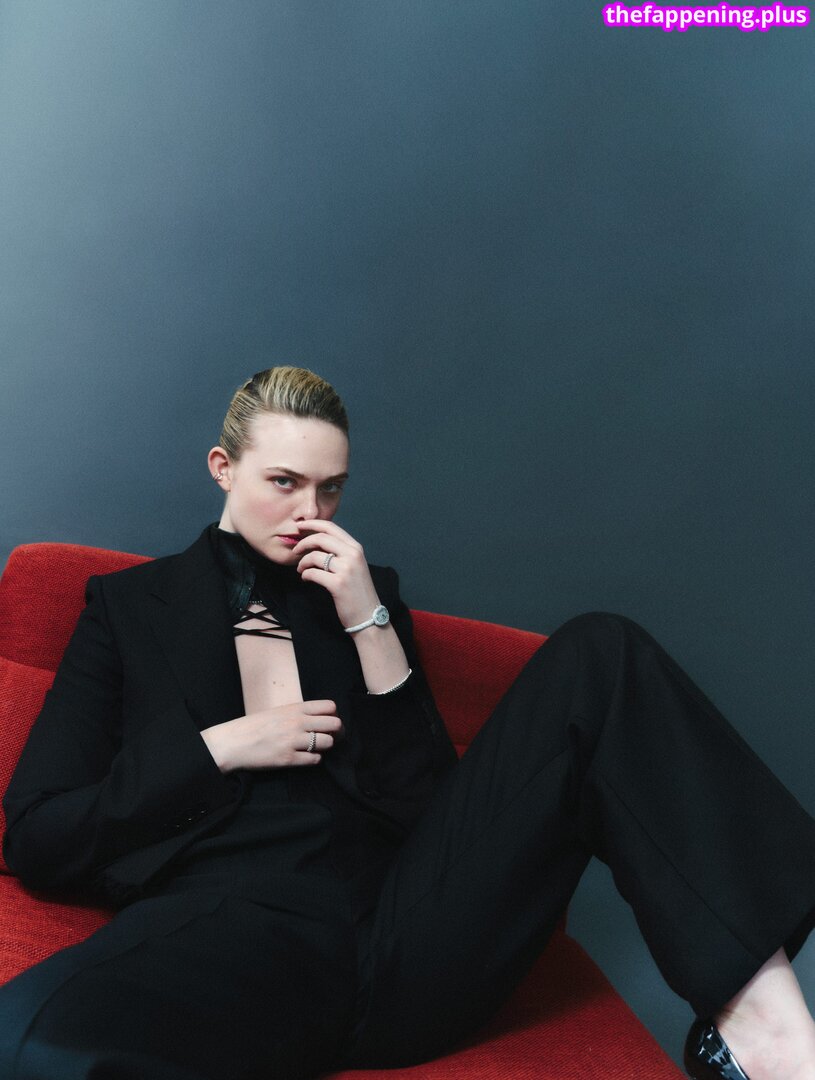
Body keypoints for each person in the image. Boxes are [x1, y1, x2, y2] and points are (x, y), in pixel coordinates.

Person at [1, 365, 814, 1080]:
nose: (309, 511)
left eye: (330, 489)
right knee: (32, 1035)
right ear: (223, 467)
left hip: (408, 936)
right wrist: (220, 747)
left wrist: (369, 623)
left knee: (602, 650)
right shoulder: (127, 610)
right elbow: (38, 834)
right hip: (230, 928)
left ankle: (771, 1040)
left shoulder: (365, 595)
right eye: (283, 481)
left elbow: (431, 814)